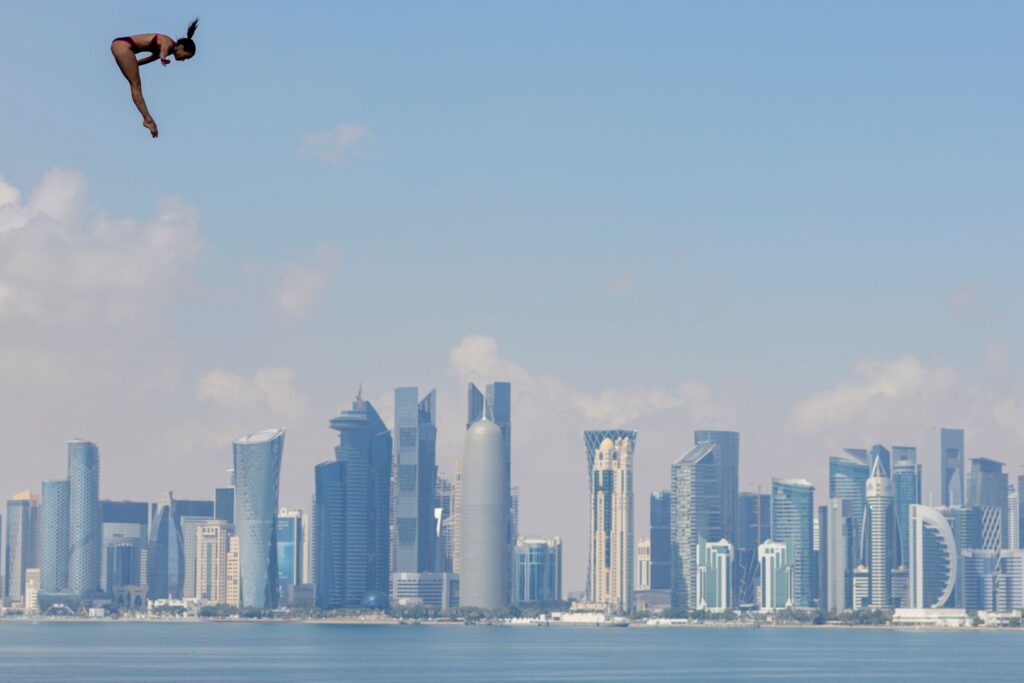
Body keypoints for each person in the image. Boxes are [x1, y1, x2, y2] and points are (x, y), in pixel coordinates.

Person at [110, 18, 199, 138]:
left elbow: (149, 59)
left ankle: (148, 120)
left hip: (123, 46)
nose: (183, 60)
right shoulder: (168, 42)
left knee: (136, 83)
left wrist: (135, 65)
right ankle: (148, 120)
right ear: (181, 47)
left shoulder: (168, 50)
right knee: (136, 85)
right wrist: (162, 57)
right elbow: (163, 50)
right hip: (122, 46)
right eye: (186, 57)